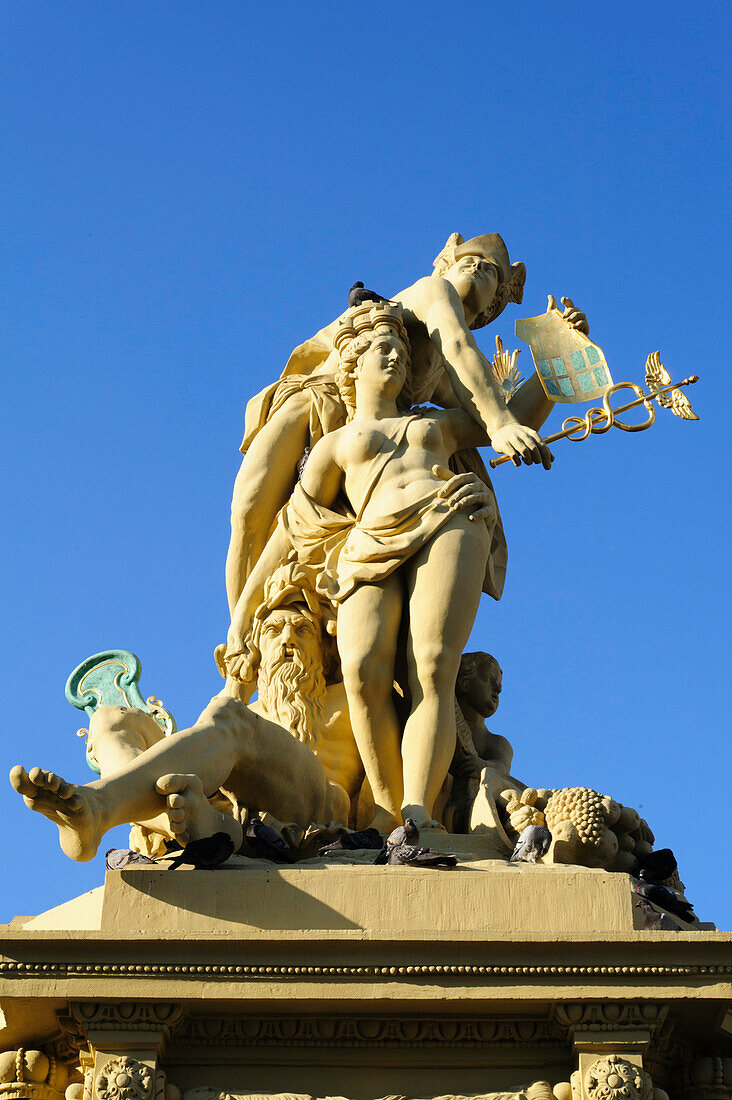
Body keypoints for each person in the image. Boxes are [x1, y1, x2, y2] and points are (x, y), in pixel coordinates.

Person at [225, 302, 523, 832]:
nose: (394, 358)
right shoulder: (333, 447)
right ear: (352, 363)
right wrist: (243, 611)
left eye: (401, 353)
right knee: (364, 675)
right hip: (366, 543)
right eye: (381, 349)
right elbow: (289, 531)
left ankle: (416, 812)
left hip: (449, 515)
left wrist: (555, 361)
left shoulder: (434, 424)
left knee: (431, 667)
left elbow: (507, 420)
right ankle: (386, 816)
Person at [225, 232, 588, 614]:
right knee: (250, 511)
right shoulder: (434, 293)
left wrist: (560, 350)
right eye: (469, 261)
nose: (478, 268)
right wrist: (499, 425)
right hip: (317, 399)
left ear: (495, 302)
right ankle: (242, 639)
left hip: (371, 436)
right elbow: (460, 351)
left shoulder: (450, 378)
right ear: (447, 266)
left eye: (491, 272)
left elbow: (506, 420)